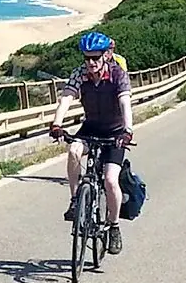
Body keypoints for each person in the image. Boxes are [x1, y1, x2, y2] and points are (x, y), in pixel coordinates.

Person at [48, 31, 134, 254]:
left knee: (110, 180)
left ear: (105, 55)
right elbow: (67, 97)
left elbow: (125, 102)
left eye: (95, 58)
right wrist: (56, 124)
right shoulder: (80, 74)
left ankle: (114, 227)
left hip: (115, 133)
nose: (91, 63)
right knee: (74, 150)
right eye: (87, 58)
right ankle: (75, 199)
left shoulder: (117, 74)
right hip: (91, 128)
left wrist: (128, 130)